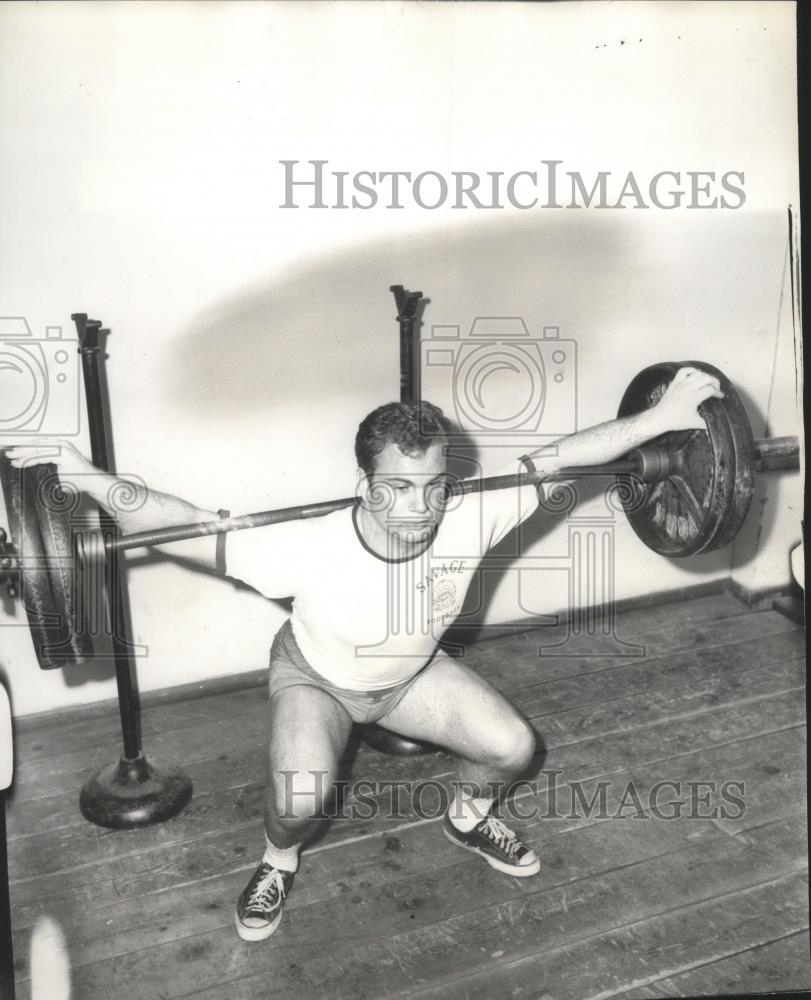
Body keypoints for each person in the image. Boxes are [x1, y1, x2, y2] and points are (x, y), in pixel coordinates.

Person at [5, 366, 723, 942]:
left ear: (449, 479)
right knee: (300, 800)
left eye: (432, 487)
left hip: (409, 677)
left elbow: (564, 454)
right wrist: (86, 477)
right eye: (396, 489)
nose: (417, 509)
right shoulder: (304, 543)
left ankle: (468, 820)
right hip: (316, 678)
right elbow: (183, 524)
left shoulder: (474, 509)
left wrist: (658, 422)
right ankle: (275, 862)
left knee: (512, 747)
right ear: (364, 486)